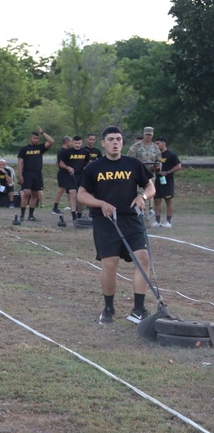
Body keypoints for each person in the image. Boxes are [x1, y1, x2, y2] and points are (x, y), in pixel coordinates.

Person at [77, 125, 156, 324]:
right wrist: (101, 203)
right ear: (103, 143)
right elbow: (82, 194)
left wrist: (142, 196)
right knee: (110, 263)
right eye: (111, 139)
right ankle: (108, 308)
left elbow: (150, 186)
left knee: (143, 258)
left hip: (131, 219)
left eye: (119, 139)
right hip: (105, 222)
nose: (115, 143)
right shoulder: (93, 167)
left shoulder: (133, 164)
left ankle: (138, 310)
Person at [16, 126, 54, 222]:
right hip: (27, 173)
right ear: (30, 138)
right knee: (26, 193)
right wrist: (20, 175)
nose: (36, 140)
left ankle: (31, 215)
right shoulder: (24, 149)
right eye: (34, 138)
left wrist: (43, 132)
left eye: (37, 139)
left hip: (37, 173)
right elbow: (20, 162)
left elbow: (51, 141)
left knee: (34, 194)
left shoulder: (40, 148)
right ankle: (22, 215)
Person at [127, 126, 162, 225]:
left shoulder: (155, 148)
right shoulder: (136, 146)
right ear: (143, 134)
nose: (148, 136)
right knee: (138, 196)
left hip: (150, 176)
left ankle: (146, 221)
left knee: (147, 198)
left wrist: (158, 166)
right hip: (138, 176)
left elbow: (159, 160)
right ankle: (136, 219)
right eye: (146, 134)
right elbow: (129, 160)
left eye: (150, 135)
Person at [56, 136, 91, 222]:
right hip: (70, 175)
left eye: (79, 143)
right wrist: (67, 167)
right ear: (72, 143)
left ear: (82, 143)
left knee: (80, 196)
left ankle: (79, 214)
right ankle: (73, 214)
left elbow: (89, 162)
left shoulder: (85, 152)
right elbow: (60, 163)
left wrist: (87, 167)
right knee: (72, 192)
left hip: (82, 176)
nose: (77, 145)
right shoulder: (67, 152)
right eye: (76, 143)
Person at [153, 137, 182, 228]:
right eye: (155, 144)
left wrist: (168, 172)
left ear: (163, 143)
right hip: (157, 180)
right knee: (157, 201)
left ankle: (168, 222)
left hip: (167, 182)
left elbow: (179, 166)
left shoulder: (171, 155)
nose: (156, 145)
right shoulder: (155, 155)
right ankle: (157, 221)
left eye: (158, 143)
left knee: (168, 201)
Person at [50, 136, 73, 214]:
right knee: (61, 190)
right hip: (63, 173)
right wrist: (66, 168)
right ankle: (55, 208)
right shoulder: (63, 151)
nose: (71, 143)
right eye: (71, 142)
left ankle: (72, 207)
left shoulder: (62, 151)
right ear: (67, 142)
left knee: (70, 191)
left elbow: (57, 162)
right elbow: (60, 163)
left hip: (65, 173)